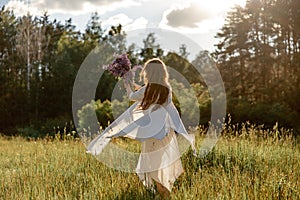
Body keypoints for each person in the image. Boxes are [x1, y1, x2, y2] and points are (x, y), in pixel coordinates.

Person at [87, 58, 195, 199]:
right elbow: (147, 93)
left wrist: (127, 84)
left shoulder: (148, 90)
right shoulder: (166, 89)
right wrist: (133, 83)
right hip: (166, 134)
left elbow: (132, 96)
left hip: (152, 136)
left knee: (152, 167)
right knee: (158, 164)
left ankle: (163, 194)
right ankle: (161, 193)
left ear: (149, 73)